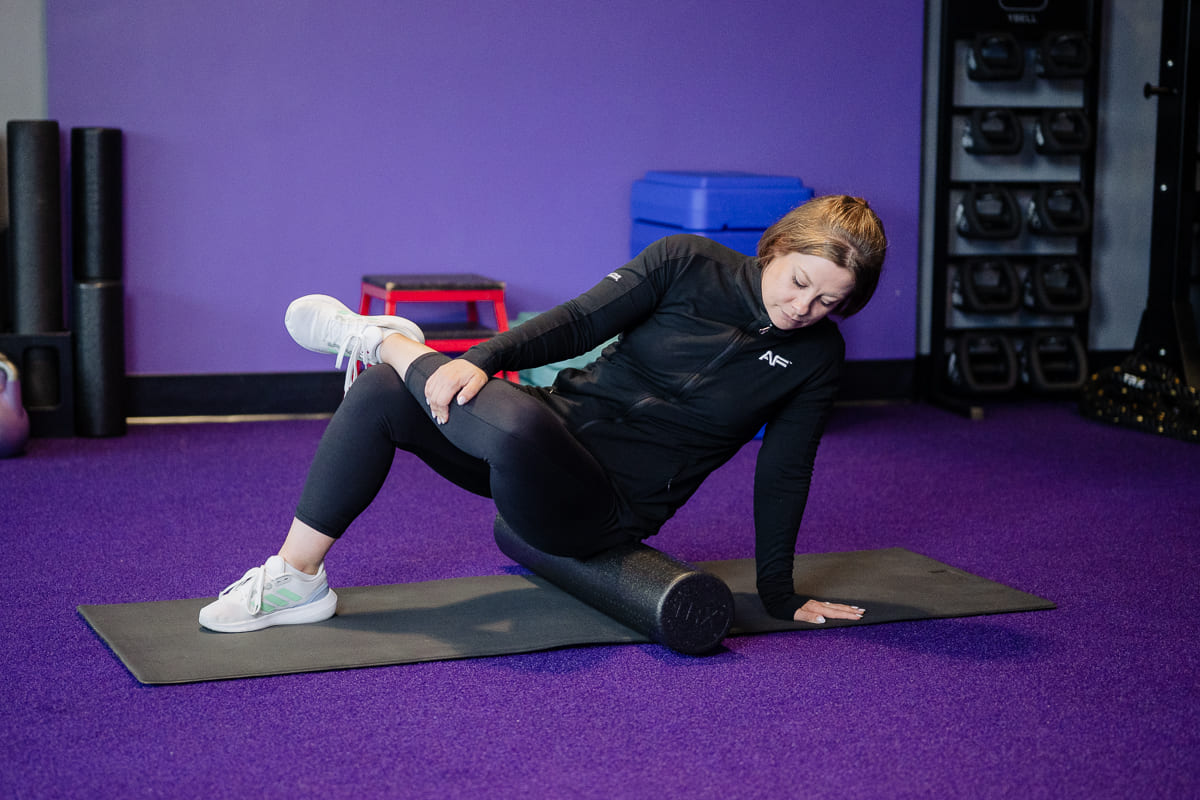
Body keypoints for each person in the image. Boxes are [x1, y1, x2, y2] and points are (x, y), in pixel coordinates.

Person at [198, 194, 887, 633]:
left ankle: (388, 339)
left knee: (505, 419)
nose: (804, 308)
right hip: (538, 435)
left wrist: (778, 593)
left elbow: (785, 470)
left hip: (602, 509)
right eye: (799, 282)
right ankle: (296, 579)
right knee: (381, 392)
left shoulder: (818, 357)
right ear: (776, 248)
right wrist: (483, 358)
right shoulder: (687, 262)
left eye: (829, 301)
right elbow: (578, 323)